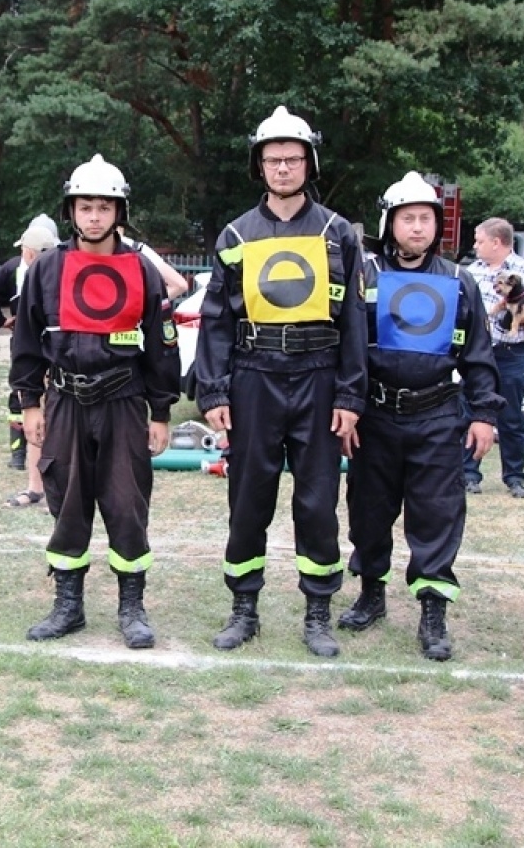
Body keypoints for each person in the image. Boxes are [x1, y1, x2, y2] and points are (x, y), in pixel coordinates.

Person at [194, 106, 367, 657]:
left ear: (309, 162)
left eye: (293, 158)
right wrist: (214, 391)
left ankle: (318, 612)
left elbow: (355, 321)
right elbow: (216, 319)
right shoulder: (235, 235)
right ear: (260, 166)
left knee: (317, 502)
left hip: (318, 378)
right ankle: (244, 608)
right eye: (274, 160)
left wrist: (350, 394)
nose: (284, 168)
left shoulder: (338, 233)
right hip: (254, 377)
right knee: (249, 498)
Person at [10, 155, 181, 648]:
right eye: (85, 207)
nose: (94, 216)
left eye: (104, 207)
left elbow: (161, 344)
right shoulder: (48, 268)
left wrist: (161, 411)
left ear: (119, 212)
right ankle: (69, 606)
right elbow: (26, 341)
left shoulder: (141, 269)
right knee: (67, 502)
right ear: (71, 211)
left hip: (123, 402)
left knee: (127, 504)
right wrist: (30, 403)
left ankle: (132, 607)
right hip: (65, 401)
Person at [339, 172, 501, 661]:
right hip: (375, 417)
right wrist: (347, 407)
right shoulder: (364, 276)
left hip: (437, 415)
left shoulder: (459, 281)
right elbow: (346, 349)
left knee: (437, 514)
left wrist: (484, 414)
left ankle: (433, 610)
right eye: (407, 218)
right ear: (390, 223)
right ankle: (371, 594)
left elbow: (478, 354)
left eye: (426, 219)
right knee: (369, 511)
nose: (417, 228)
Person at [462, 218, 524, 498]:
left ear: (496, 242)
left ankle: (515, 478)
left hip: (512, 352)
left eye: (479, 240)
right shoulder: (471, 272)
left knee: (512, 417)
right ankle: (468, 474)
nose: (475, 246)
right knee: (470, 412)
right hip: (478, 352)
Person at [0, 213, 59, 503]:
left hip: (54, 350)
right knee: (30, 404)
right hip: (31, 348)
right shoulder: (17, 269)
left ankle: (50, 486)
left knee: (52, 411)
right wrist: (2, 320)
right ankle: (33, 481)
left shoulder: (60, 269)